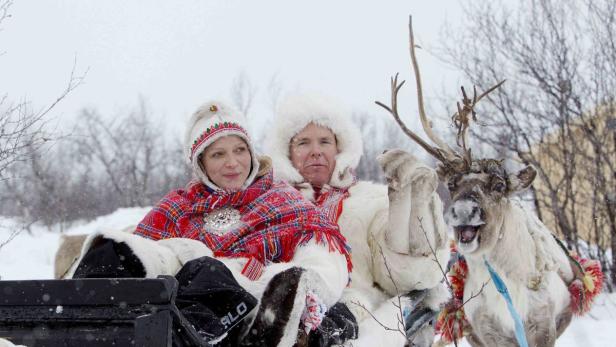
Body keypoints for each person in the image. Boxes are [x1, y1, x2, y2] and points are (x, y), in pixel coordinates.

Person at [69, 100, 351, 347]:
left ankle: (193, 332)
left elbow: (325, 259)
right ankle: (80, 323)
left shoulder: (282, 200)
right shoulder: (179, 206)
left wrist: (298, 289)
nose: (233, 163)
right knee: (111, 249)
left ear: (251, 153)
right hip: (171, 300)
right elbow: (149, 251)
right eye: (218, 154)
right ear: (201, 163)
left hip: (251, 304)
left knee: (207, 271)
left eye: (239, 150)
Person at [266, 93, 450, 346]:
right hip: (277, 308)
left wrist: (409, 205)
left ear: (339, 148)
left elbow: (402, 275)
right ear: (287, 152)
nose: (316, 151)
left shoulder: (369, 201)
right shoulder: (267, 207)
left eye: (325, 142)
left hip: (351, 311)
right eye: (303, 143)